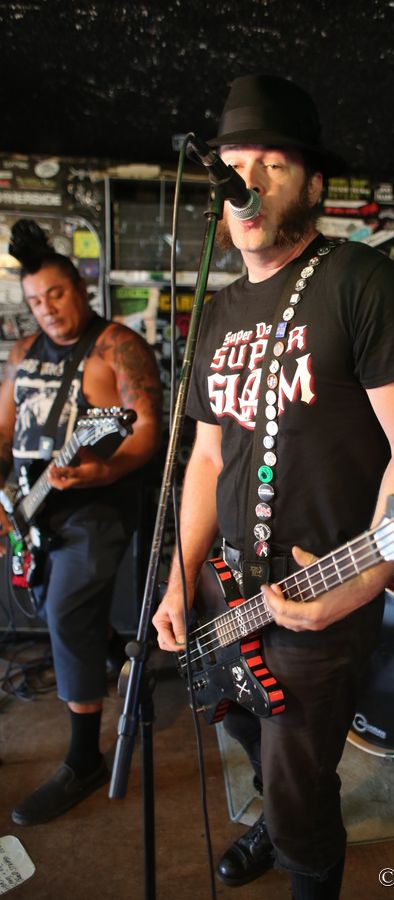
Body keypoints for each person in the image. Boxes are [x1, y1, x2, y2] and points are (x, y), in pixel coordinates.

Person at [152, 74, 394, 899]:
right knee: (246, 724)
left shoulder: (363, 282)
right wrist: (179, 575)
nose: (246, 181)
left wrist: (363, 581)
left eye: (271, 164)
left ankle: (295, 841)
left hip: (320, 593)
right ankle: (272, 822)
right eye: (233, 164)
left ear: (313, 184)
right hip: (225, 586)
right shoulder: (217, 312)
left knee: (302, 784)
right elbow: (207, 458)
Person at [0, 220, 162, 826]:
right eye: (36, 300)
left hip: (96, 506)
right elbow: (3, 430)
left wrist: (105, 469)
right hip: (31, 507)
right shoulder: (22, 352)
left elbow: (146, 428)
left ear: (81, 289)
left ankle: (84, 760)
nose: (47, 309)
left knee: (67, 611)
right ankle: (121, 656)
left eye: (57, 294)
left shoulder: (117, 346)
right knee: (55, 607)